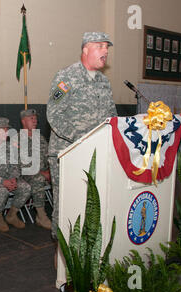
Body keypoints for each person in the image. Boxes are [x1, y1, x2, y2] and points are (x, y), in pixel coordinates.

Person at [46, 32, 117, 244]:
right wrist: (82, 140)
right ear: (86, 49)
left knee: (92, 203)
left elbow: (111, 116)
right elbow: (54, 114)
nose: (105, 51)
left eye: (107, 47)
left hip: (96, 154)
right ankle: (61, 258)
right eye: (100, 46)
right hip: (67, 153)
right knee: (66, 205)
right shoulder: (66, 77)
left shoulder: (104, 83)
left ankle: (86, 252)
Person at [19, 109, 51, 230]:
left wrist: (51, 171)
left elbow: (48, 156)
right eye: (31, 118)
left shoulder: (40, 138)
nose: (35, 121)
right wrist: (42, 173)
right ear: (23, 121)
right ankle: (41, 216)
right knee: (38, 178)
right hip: (25, 174)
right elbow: (22, 166)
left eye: (35, 118)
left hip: (43, 172)